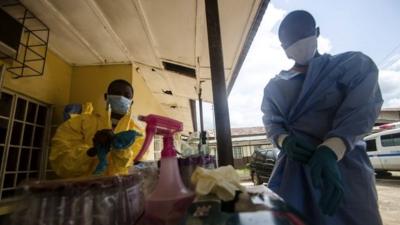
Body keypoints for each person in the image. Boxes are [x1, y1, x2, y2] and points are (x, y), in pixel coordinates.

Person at [261, 10, 383, 225]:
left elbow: (361, 111)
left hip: (346, 168)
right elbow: (272, 122)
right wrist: (283, 140)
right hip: (294, 173)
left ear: (317, 32)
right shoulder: (275, 86)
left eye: (302, 35)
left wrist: (331, 149)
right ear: (283, 48)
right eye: (291, 40)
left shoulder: (353, 65)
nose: (298, 42)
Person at [50, 79, 144, 178]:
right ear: (106, 96)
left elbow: (136, 169)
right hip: (83, 188)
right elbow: (60, 163)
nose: (121, 98)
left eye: (126, 96)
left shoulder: (137, 133)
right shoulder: (80, 122)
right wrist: (93, 151)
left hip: (118, 190)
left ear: (131, 102)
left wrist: (121, 150)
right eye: (116, 93)